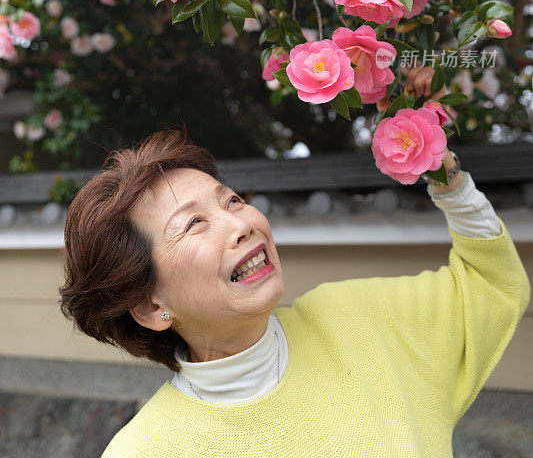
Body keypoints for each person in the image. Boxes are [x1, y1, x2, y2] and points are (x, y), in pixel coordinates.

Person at [59, 66, 530, 458]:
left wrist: (443, 172)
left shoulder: (357, 315)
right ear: (148, 306)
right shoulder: (145, 450)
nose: (241, 223)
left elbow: (486, 285)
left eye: (233, 200)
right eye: (194, 223)